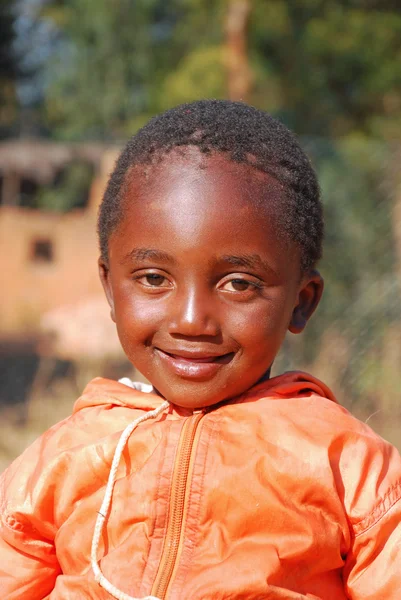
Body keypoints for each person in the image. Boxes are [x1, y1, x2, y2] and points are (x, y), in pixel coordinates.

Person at [1, 100, 400, 600]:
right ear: (110, 289)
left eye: (238, 284)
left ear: (301, 303)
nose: (191, 320)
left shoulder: (348, 466)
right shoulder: (64, 456)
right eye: (153, 278)